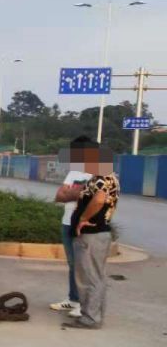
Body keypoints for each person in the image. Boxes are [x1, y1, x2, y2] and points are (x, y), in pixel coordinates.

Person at [63, 141, 119, 330]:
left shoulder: (103, 178)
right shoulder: (103, 177)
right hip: (97, 234)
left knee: (89, 277)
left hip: (92, 235)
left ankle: (90, 319)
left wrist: (82, 219)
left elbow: (100, 199)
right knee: (96, 277)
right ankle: (94, 316)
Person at [50, 136, 93, 318]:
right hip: (67, 221)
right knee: (72, 264)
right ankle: (73, 299)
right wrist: (77, 192)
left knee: (83, 265)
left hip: (82, 224)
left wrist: (73, 192)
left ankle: (84, 304)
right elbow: (59, 195)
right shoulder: (74, 172)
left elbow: (92, 198)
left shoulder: (98, 173)